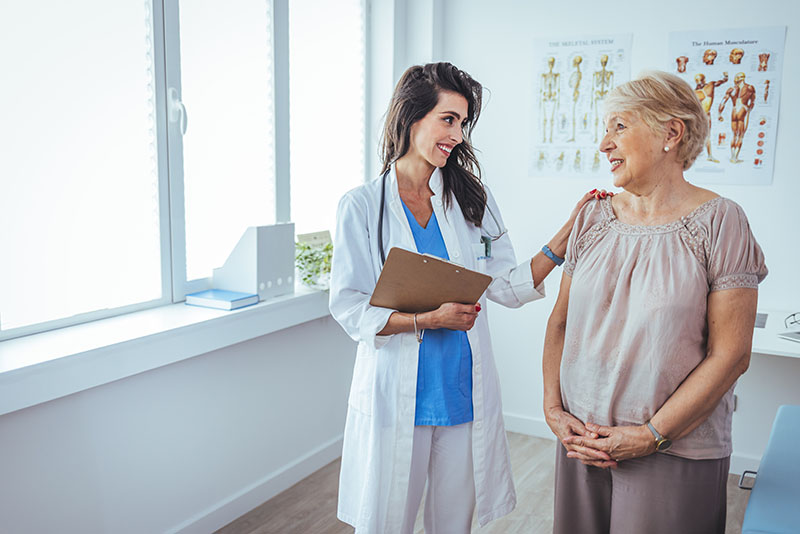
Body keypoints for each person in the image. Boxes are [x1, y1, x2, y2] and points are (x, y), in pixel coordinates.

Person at [329, 62, 602, 534]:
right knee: (385, 522)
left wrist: (567, 234)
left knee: (453, 526)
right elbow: (350, 306)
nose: (457, 133)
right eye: (448, 119)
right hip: (398, 396)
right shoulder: (361, 206)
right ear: (412, 117)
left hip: (461, 392)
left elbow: (507, 285)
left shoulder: (468, 198)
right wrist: (426, 319)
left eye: (463, 121)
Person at [543, 71, 767, 534]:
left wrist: (650, 436)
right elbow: (561, 323)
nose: (604, 144)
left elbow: (731, 356)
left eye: (619, 126)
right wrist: (552, 409)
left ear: (671, 132)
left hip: (674, 449)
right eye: (604, 130)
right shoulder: (592, 215)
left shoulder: (721, 223)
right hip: (580, 443)